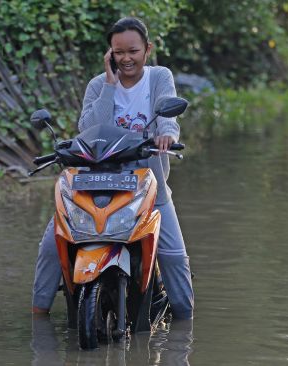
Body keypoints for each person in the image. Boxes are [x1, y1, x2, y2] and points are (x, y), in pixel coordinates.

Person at [32, 17, 194, 320]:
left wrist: (167, 134)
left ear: (147, 49)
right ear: (110, 54)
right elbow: (87, 128)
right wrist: (109, 84)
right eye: (118, 52)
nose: (126, 58)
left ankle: (184, 329)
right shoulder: (98, 83)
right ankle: (38, 319)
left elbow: (168, 112)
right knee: (52, 247)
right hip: (95, 181)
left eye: (133, 51)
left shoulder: (159, 77)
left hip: (148, 183)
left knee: (173, 258)